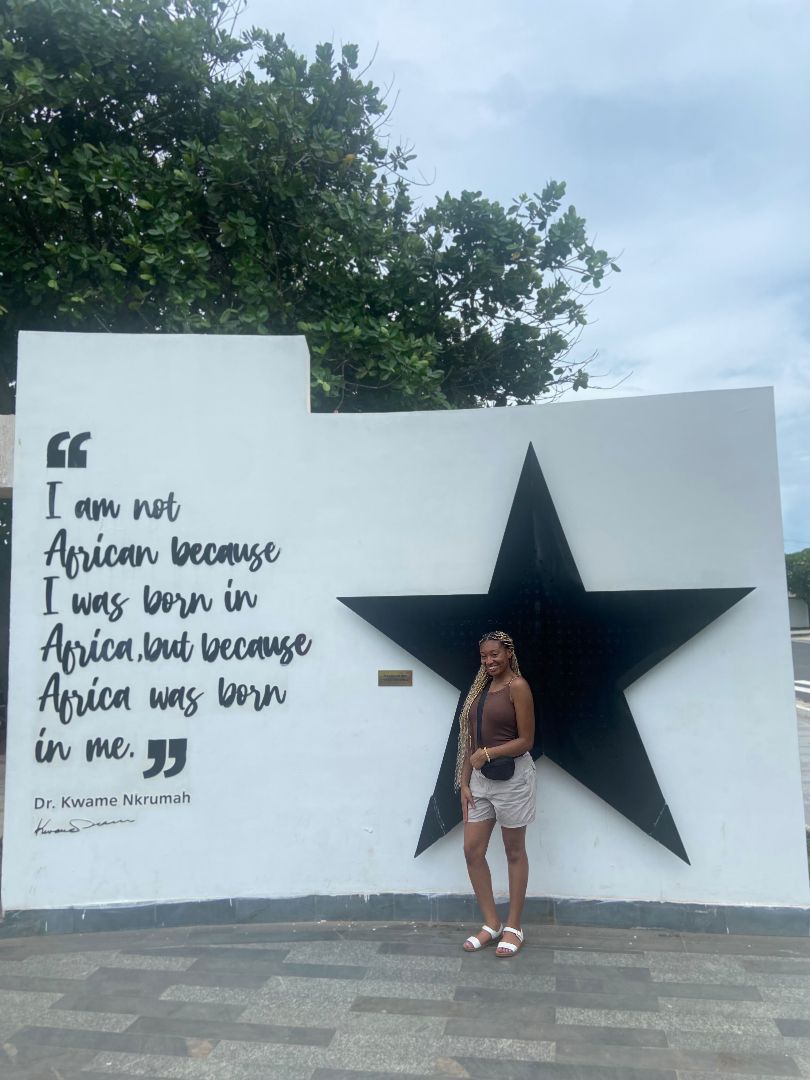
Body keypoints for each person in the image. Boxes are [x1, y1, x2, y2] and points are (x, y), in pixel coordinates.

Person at [456, 630, 536, 957]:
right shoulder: (481, 689)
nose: (489, 661)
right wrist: (463, 781)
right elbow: (469, 741)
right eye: (484, 656)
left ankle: (514, 925)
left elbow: (526, 740)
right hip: (481, 781)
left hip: (514, 778)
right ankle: (492, 923)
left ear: (508, 652)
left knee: (513, 852)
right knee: (472, 850)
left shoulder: (518, 687)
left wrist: (488, 755)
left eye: (494, 654)